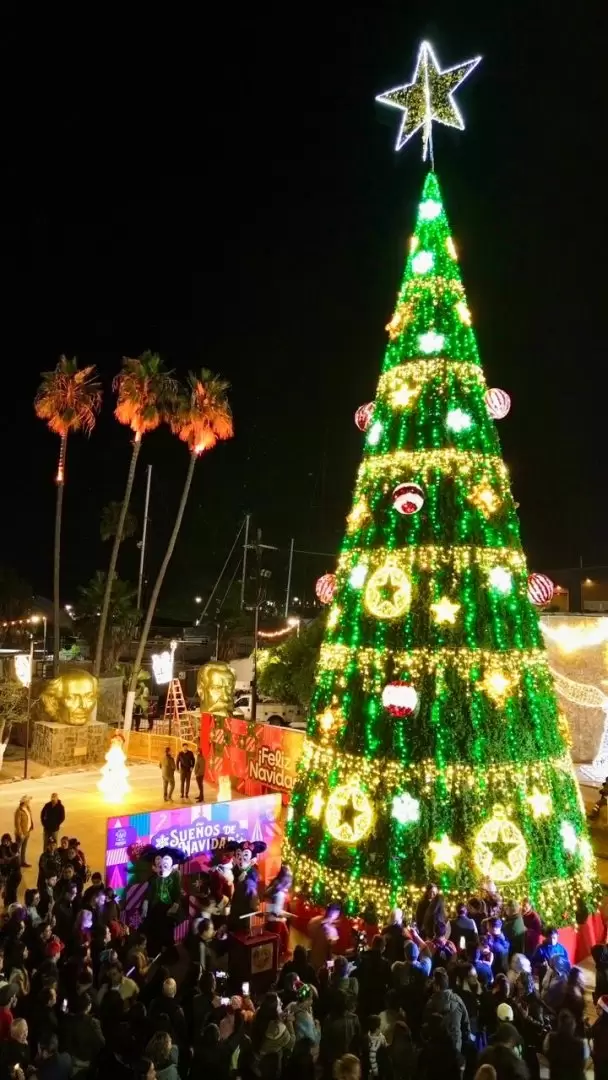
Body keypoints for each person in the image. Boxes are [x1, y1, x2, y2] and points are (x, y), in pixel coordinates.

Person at [423, 966, 470, 1055]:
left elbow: (426, 1027)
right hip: (455, 1048)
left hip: (437, 1051)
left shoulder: (430, 1004)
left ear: (436, 985)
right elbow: (466, 1025)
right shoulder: (458, 1000)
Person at [319, 990, 360, 1080]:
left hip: (344, 1061)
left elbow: (357, 1041)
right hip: (337, 1062)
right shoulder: (330, 1019)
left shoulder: (353, 1018)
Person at [543, 1008, 589, 1079]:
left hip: (557, 1076)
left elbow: (546, 1052)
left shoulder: (550, 1037)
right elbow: (584, 1061)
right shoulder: (581, 1043)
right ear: (573, 1026)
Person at [356, 936, 391, 1019]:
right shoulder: (385, 963)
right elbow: (389, 981)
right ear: (382, 947)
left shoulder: (362, 958)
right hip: (378, 999)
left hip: (364, 998)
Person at [591, 994, 608, 1080]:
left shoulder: (604, 1027)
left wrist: (593, 1054)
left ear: (604, 1010)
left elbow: (603, 1052)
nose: (596, 1008)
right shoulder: (601, 1019)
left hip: (603, 1066)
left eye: (598, 1007)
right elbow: (592, 1031)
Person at [14, 795, 34, 868]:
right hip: (21, 833)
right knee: (17, 849)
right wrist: (20, 833)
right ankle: (15, 863)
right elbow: (17, 823)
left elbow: (29, 818)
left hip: (27, 832)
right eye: (28, 801)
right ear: (24, 802)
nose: (29, 802)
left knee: (24, 848)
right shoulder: (19, 811)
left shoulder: (27, 808)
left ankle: (22, 862)